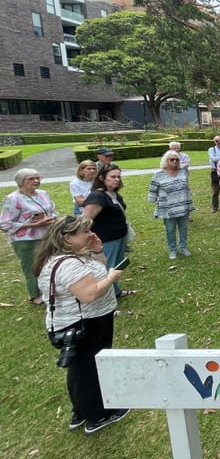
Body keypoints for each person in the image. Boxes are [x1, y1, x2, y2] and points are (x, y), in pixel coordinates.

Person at [33, 215, 130, 435]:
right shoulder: (69, 265)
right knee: (89, 369)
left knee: (79, 368)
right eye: (84, 232)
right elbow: (89, 294)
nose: (90, 234)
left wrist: (97, 250)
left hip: (80, 321)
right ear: (68, 238)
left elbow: (95, 272)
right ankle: (97, 415)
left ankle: (80, 410)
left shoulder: (66, 257)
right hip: (85, 322)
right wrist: (111, 278)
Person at [0, 168, 58, 304]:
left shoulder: (43, 194)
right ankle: (35, 295)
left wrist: (51, 218)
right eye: (31, 179)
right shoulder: (13, 199)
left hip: (47, 236)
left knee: (50, 264)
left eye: (38, 178)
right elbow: (5, 224)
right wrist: (33, 224)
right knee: (33, 267)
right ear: (21, 182)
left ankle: (50, 291)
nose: (36, 181)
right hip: (26, 240)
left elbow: (53, 211)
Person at [82, 164, 134, 299]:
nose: (116, 179)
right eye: (112, 177)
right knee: (107, 268)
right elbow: (85, 220)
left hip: (119, 236)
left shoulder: (114, 194)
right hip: (106, 239)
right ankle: (107, 297)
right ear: (102, 178)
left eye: (118, 177)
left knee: (117, 266)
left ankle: (115, 291)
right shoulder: (97, 196)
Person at [148, 151, 195, 260]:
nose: (175, 161)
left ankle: (183, 247)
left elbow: (186, 186)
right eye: (172, 159)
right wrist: (153, 200)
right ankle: (172, 249)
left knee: (184, 228)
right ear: (166, 161)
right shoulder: (158, 175)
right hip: (168, 208)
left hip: (183, 205)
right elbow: (152, 189)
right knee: (170, 229)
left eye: (177, 159)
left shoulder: (183, 171)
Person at [207, 135, 220, 212]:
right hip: (215, 171)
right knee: (215, 191)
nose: (219, 142)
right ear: (214, 142)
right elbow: (213, 159)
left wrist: (218, 159)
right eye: (217, 141)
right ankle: (215, 207)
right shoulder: (211, 149)